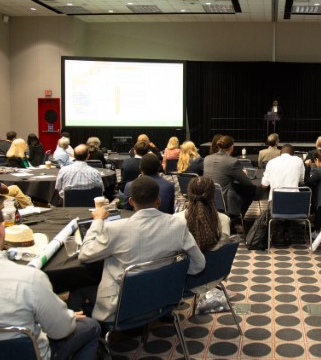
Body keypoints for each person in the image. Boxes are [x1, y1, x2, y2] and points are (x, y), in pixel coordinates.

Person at [0, 197, 100, 360]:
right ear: (2, 230)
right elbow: (61, 331)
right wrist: (66, 318)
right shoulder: (31, 279)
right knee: (91, 326)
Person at [79, 176, 205, 323]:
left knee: (78, 288)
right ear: (158, 201)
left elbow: (85, 255)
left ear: (131, 201)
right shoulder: (178, 224)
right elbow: (199, 264)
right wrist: (173, 276)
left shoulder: (114, 229)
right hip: (162, 299)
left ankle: (83, 330)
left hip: (122, 307)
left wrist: (97, 221)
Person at [204, 135, 255, 219]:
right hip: (224, 199)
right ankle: (236, 218)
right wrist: (243, 174)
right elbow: (247, 183)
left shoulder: (207, 158)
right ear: (231, 147)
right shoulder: (232, 162)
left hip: (207, 197)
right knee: (251, 190)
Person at [173, 176, 231, 250]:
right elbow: (224, 251)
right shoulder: (224, 219)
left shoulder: (176, 219)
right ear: (213, 195)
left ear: (189, 195)